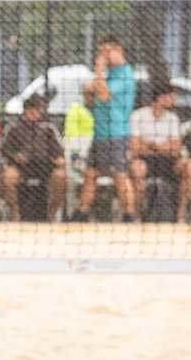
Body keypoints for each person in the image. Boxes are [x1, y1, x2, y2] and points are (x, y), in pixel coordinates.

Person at [70, 34, 137, 223]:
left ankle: (129, 216)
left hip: (117, 134)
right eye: (100, 52)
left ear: (118, 50)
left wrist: (98, 70)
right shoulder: (110, 75)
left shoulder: (125, 73)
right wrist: (88, 93)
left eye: (106, 52)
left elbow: (105, 94)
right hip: (100, 133)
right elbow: (93, 103)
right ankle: (80, 213)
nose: (103, 57)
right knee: (90, 173)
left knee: (119, 174)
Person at [0, 94, 67, 222]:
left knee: (61, 177)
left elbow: (58, 151)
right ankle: (15, 214)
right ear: (25, 110)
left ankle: (52, 214)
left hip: (45, 166)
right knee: (8, 177)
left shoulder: (48, 128)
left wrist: (57, 158)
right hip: (21, 167)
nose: (34, 114)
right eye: (31, 110)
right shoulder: (13, 127)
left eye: (37, 111)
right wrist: (15, 156)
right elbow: (3, 149)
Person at [129, 84, 190, 222]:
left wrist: (149, 144)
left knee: (189, 167)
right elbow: (135, 147)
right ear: (160, 98)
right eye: (171, 97)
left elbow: (175, 149)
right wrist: (163, 146)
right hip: (145, 159)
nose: (174, 101)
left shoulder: (173, 118)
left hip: (167, 161)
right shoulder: (138, 115)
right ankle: (138, 217)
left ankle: (180, 217)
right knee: (138, 169)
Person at [63, 81, 96, 180]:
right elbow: (71, 133)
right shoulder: (75, 109)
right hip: (81, 149)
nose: (91, 97)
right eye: (88, 93)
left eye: (93, 93)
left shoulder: (105, 110)